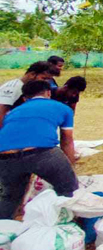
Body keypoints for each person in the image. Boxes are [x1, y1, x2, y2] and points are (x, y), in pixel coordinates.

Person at [0, 80, 78, 218]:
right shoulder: (62, 108)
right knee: (69, 190)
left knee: (10, 198)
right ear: (48, 93)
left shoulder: (12, 112)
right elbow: (67, 141)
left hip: (5, 157)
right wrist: (70, 167)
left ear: (24, 98)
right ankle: (74, 225)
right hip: (42, 153)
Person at [0, 61, 54, 128]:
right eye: (44, 78)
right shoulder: (13, 88)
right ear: (32, 74)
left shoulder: (30, 89)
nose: (45, 82)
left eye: (48, 80)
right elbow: (1, 111)